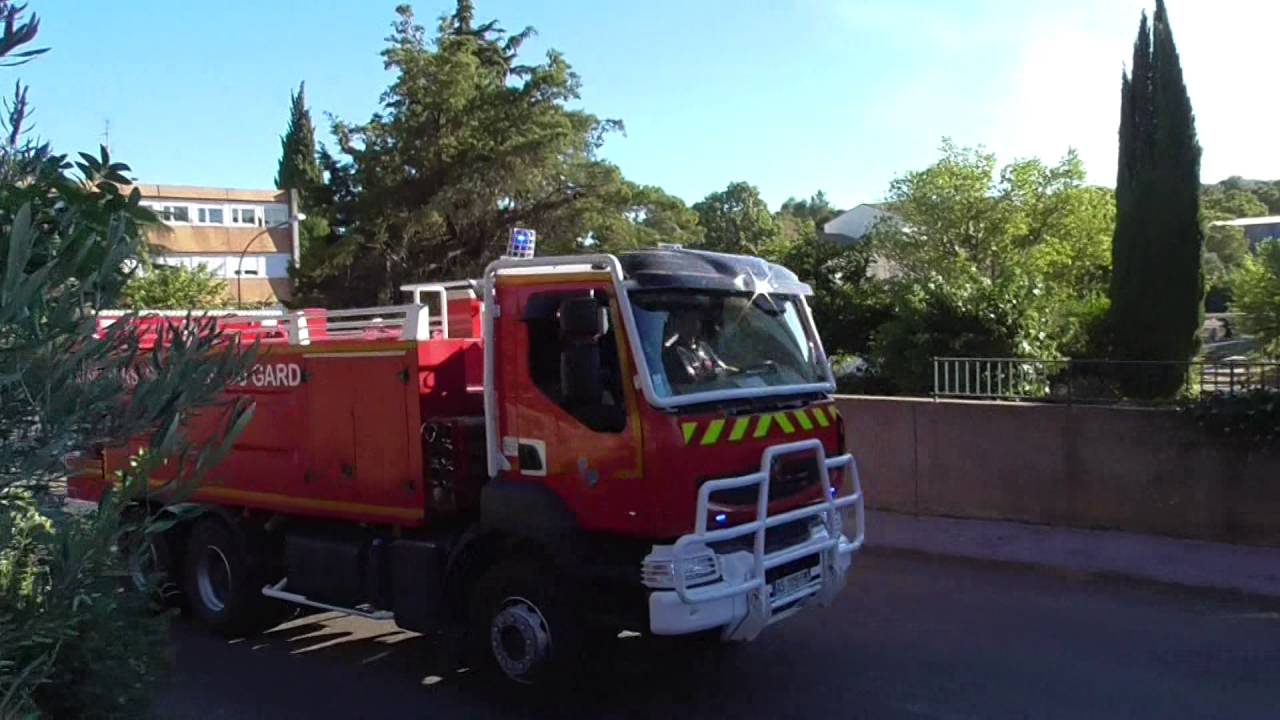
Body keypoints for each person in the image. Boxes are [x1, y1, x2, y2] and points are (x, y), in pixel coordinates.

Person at [661, 310, 730, 387]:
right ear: (682, 327)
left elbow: (717, 360)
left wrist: (725, 368)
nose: (695, 326)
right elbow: (690, 374)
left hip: (715, 385)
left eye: (696, 322)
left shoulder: (703, 345)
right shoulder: (676, 350)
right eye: (690, 323)